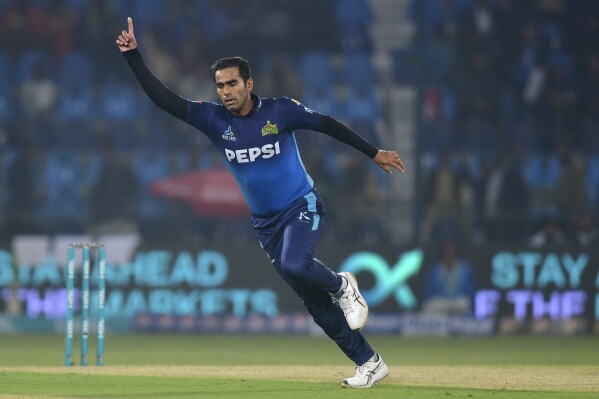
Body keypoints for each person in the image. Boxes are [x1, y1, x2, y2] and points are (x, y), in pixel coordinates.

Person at [116, 17, 405, 389]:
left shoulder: (280, 111)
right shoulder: (213, 119)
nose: (225, 91)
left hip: (302, 204)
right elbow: (164, 99)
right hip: (266, 224)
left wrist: (373, 152)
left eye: (232, 83)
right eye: (220, 85)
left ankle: (342, 285)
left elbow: (328, 124)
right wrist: (134, 58)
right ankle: (369, 362)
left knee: (295, 263)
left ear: (249, 84)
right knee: (314, 304)